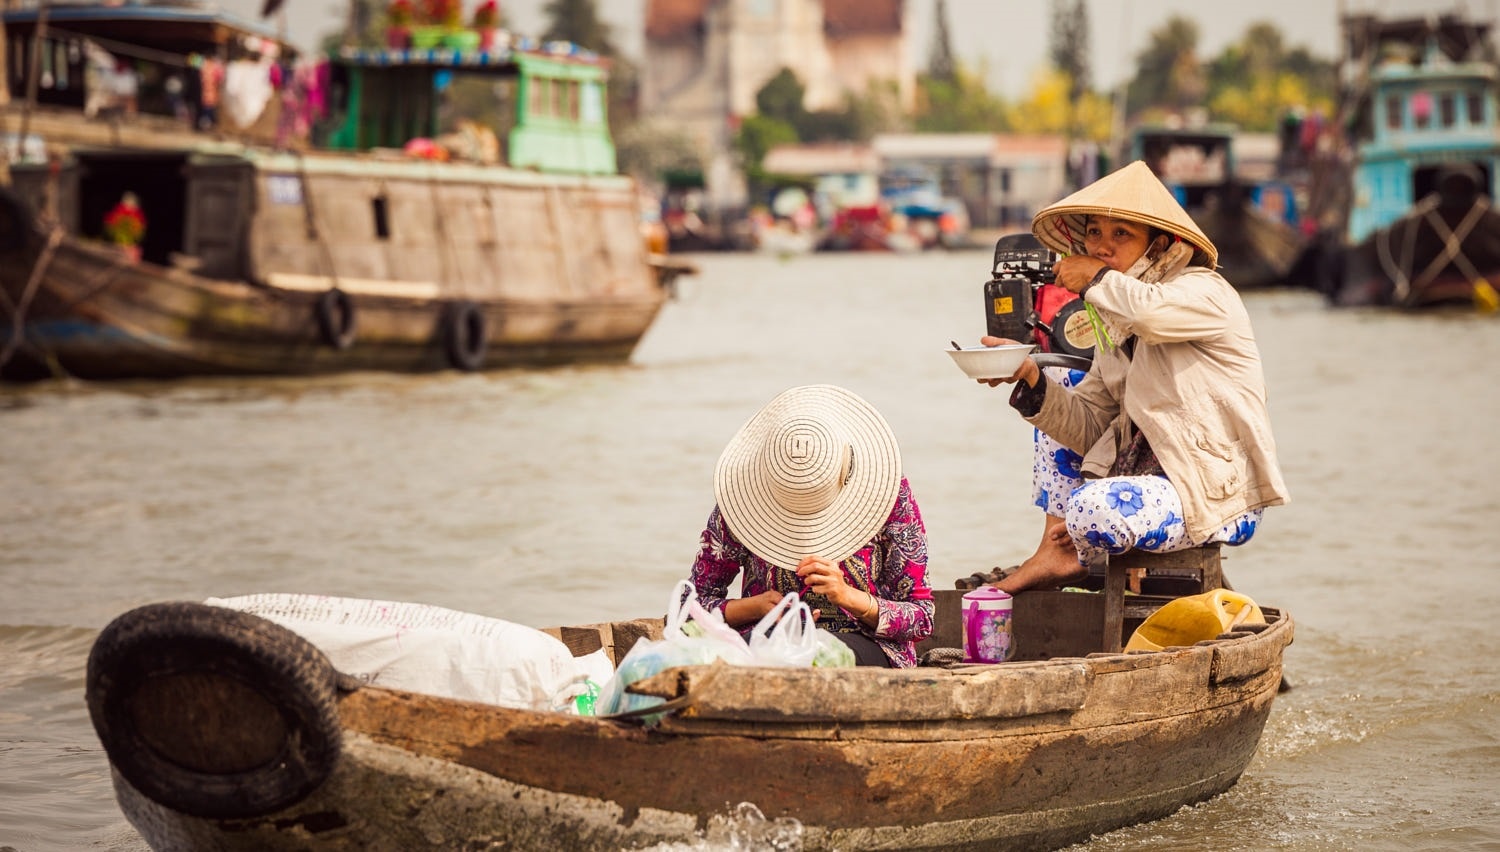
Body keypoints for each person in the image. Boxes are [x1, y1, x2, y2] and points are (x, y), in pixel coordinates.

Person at [979, 160, 1290, 594]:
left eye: (1120, 235)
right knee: (1056, 385)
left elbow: (1150, 313)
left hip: (1212, 492)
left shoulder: (1205, 292)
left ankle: (1082, 543)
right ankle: (1062, 553)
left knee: (1089, 511)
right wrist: (1029, 375)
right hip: (1140, 486)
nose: (1102, 247)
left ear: (1159, 246)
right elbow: (1090, 427)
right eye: (1093, 234)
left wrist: (1093, 277)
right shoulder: (1113, 321)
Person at [688, 384, 934, 668]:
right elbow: (689, 608)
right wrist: (757, 607)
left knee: (813, 658)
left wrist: (848, 596)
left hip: (866, 644)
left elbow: (921, 618)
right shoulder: (737, 503)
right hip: (768, 643)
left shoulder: (890, 494)